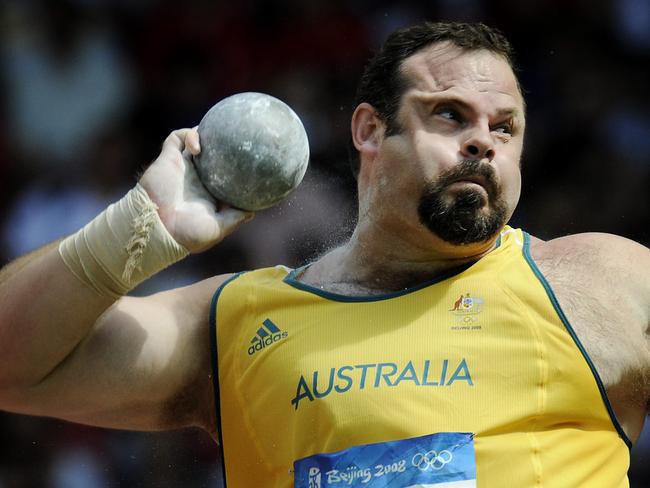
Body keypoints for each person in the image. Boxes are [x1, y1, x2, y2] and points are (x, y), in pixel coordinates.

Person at [0, 21, 648, 487]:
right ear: (369, 130)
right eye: (449, 115)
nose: (483, 142)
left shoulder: (594, 282)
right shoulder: (236, 322)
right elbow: (13, 364)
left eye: (504, 127)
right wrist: (136, 228)